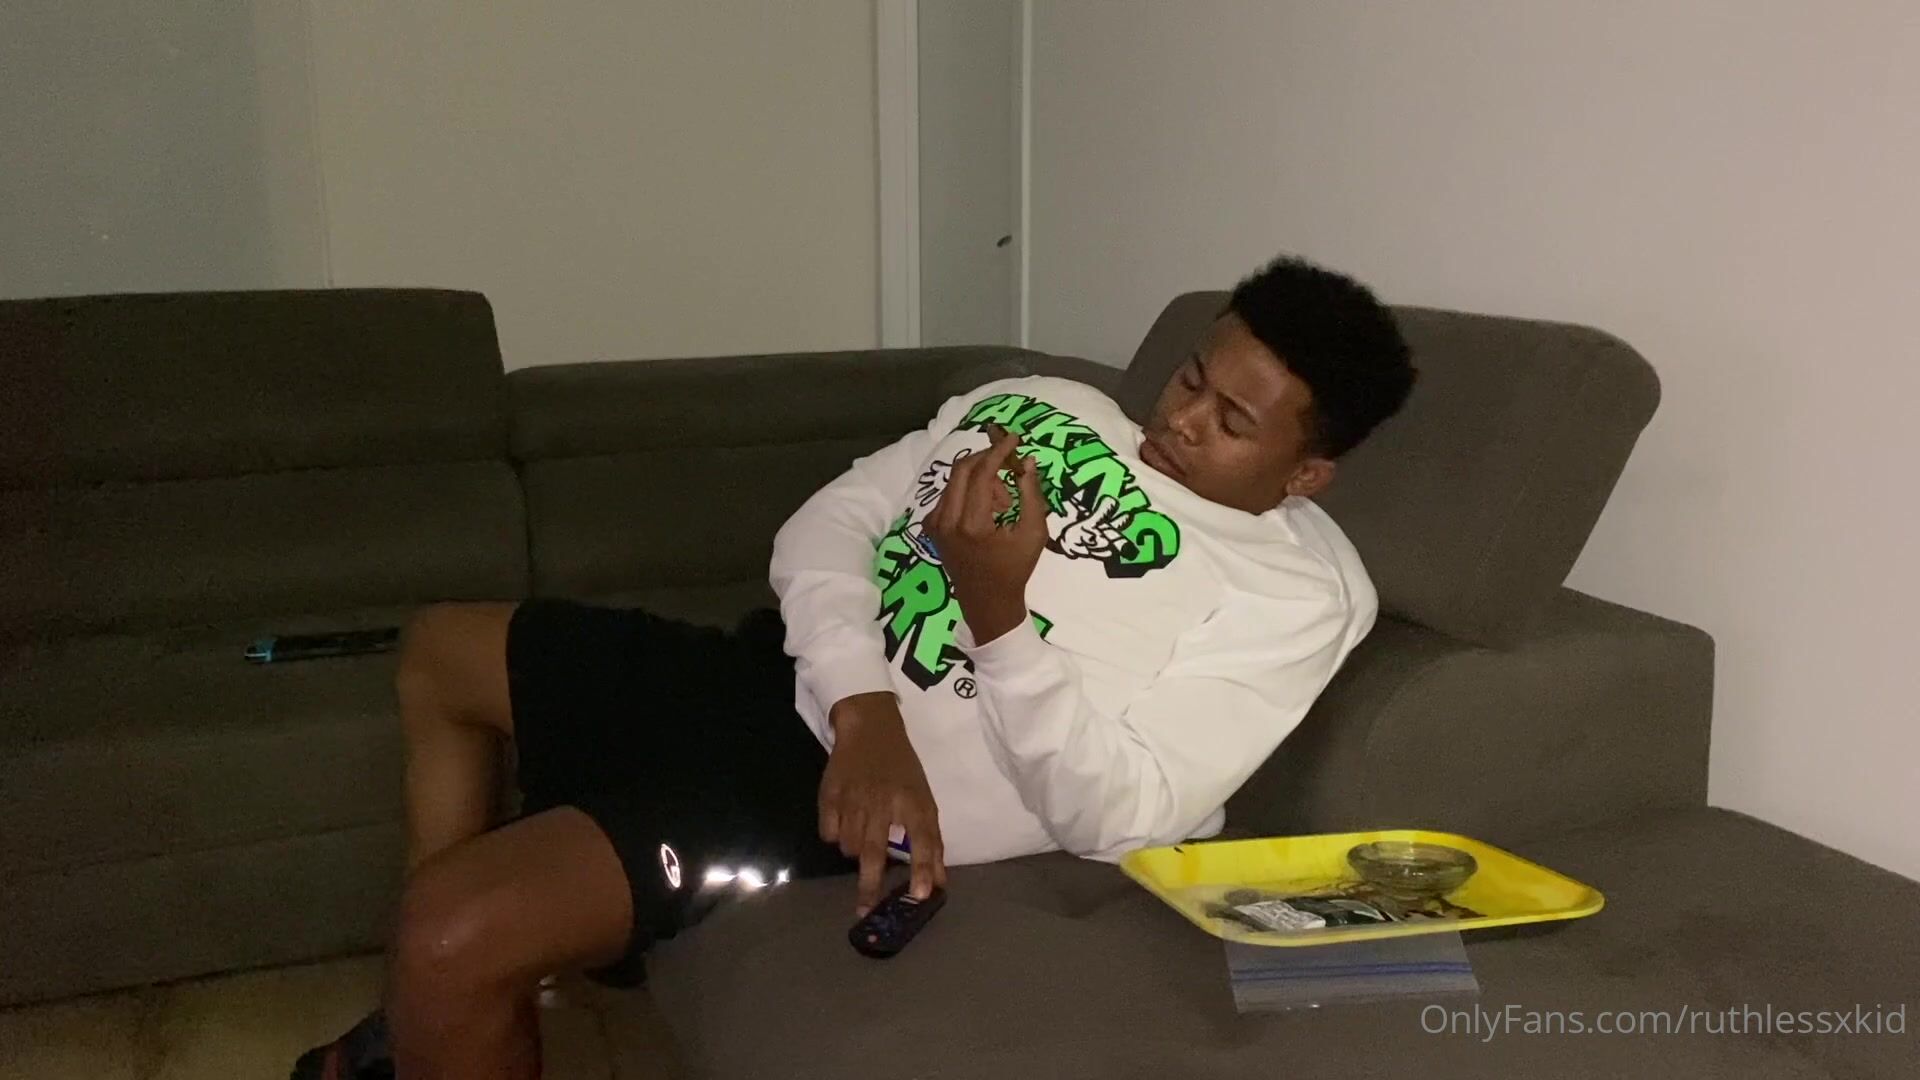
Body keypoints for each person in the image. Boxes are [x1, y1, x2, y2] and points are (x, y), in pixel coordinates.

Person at [292, 254, 1416, 1079]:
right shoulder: (1049, 406)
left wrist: (998, 614)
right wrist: (865, 703)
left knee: (452, 932)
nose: (1181, 422)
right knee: (438, 650)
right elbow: (825, 526)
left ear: (1305, 474)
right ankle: (421, 1027)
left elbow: (1119, 812)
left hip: (828, 803)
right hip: (789, 679)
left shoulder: (1298, 596)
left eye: (1233, 421)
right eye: (1188, 379)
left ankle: (442, 994)